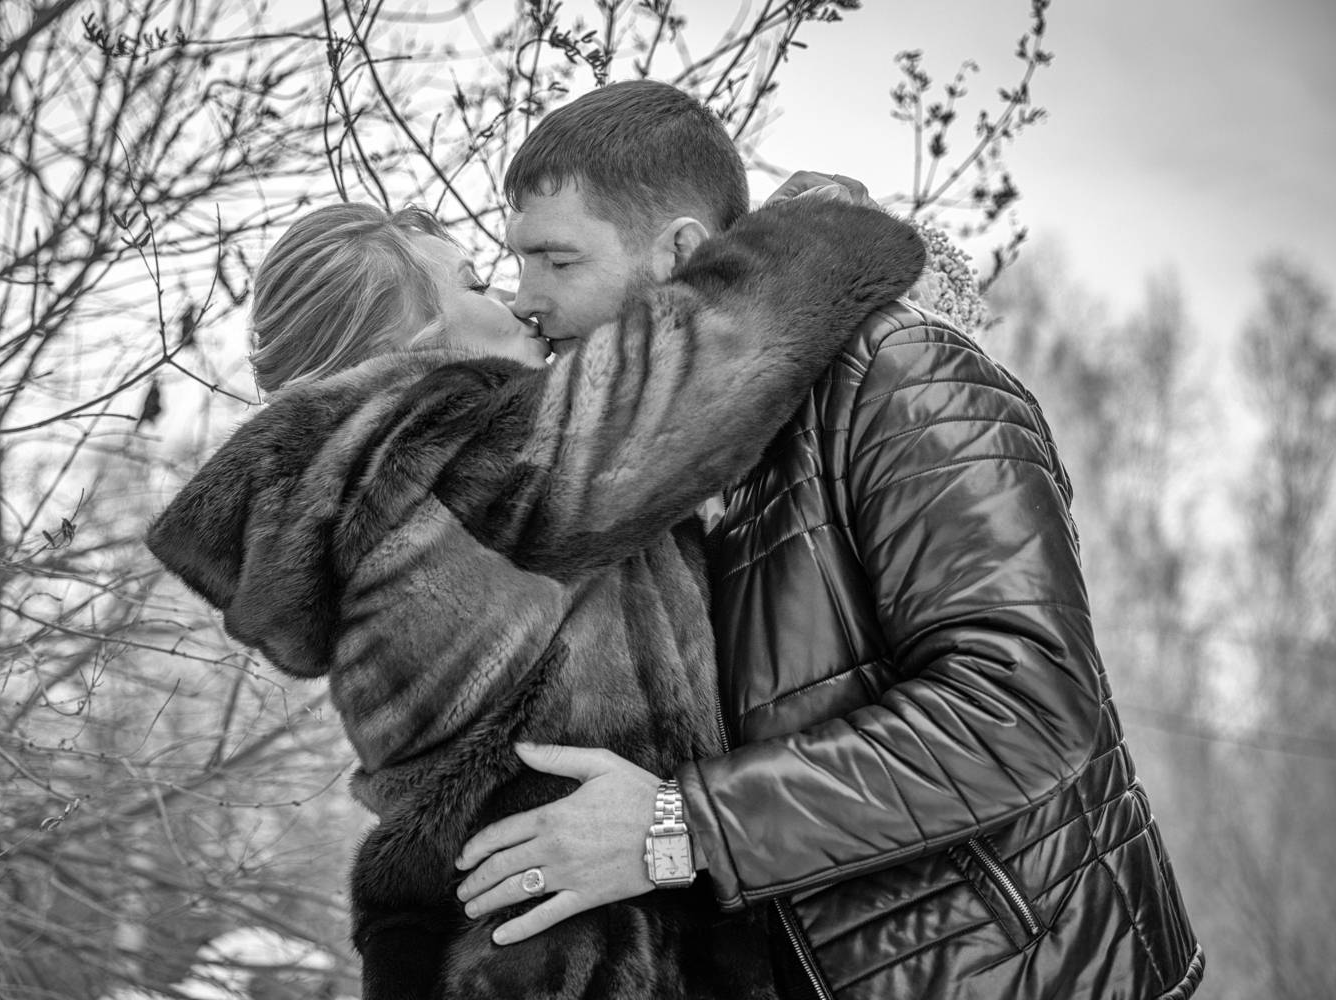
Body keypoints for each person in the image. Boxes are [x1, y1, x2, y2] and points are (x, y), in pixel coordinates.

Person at [454, 79, 1206, 999]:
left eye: (557, 260)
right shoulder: (675, 467)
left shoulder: (902, 376)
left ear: (679, 253)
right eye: (516, 261)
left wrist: (676, 828)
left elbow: (1022, 708)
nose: (525, 298)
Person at [145, 192, 926, 999]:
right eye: (475, 283)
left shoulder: (378, 492)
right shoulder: (442, 454)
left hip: (495, 939)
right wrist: (820, 226)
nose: (518, 300)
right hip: (558, 959)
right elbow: (708, 361)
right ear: (409, 337)